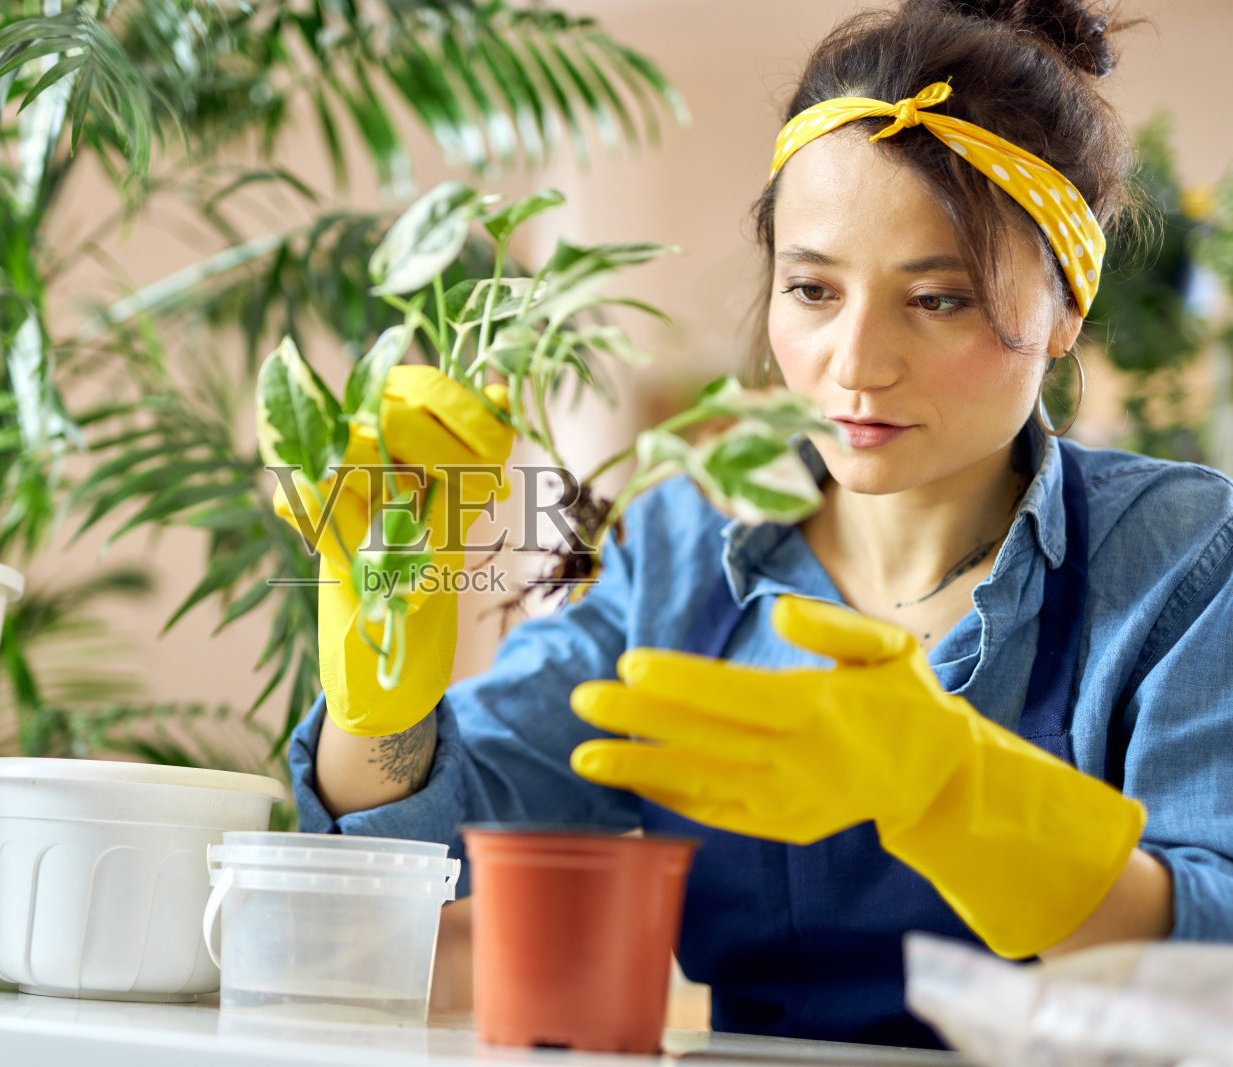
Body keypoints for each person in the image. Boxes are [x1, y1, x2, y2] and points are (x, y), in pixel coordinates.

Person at [273, 0, 1233, 1048]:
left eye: (938, 299)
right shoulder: (684, 553)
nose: (853, 363)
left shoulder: (1180, 558)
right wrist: (381, 672)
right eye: (812, 289)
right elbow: (419, 848)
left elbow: (1210, 951)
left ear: (1062, 309)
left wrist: (960, 795)